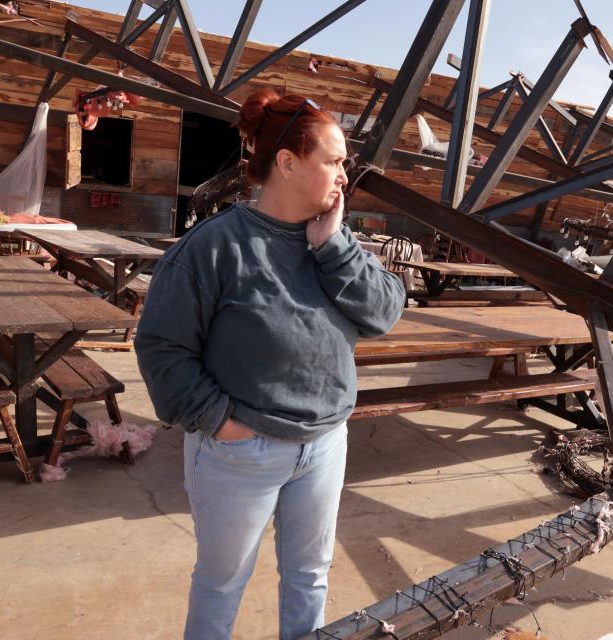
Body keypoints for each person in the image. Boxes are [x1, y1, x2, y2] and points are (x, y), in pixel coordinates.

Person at [134, 89, 405, 640]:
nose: (343, 177)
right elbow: (162, 347)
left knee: (309, 576)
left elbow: (383, 313)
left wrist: (334, 246)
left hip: (325, 443)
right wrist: (220, 422)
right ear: (287, 162)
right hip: (241, 451)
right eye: (333, 161)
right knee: (221, 581)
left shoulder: (334, 240)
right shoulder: (214, 247)